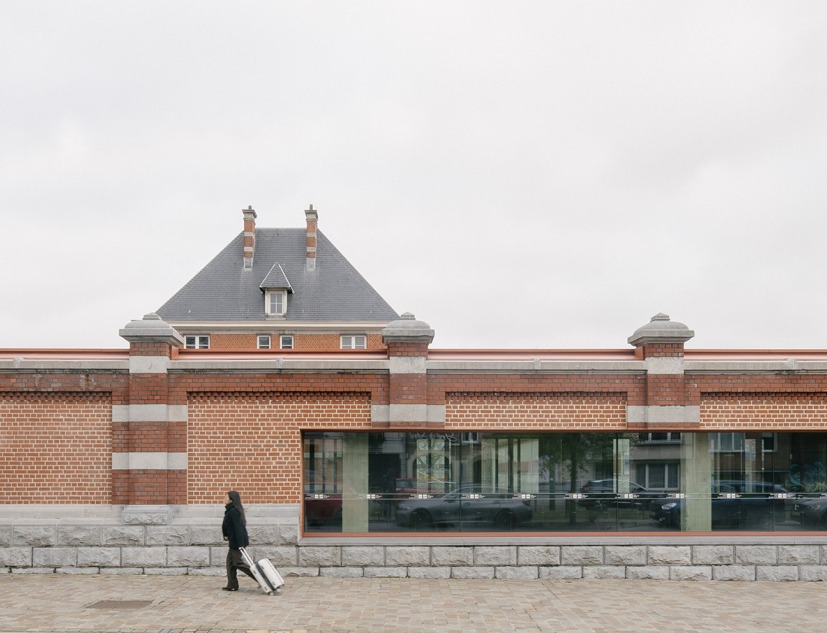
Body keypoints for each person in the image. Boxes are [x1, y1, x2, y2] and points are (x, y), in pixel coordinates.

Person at [221, 490, 255, 591]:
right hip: (234, 541)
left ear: (231, 500)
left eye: (226, 497)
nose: (224, 499)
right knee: (230, 563)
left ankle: (260, 577)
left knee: (237, 562)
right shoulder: (232, 510)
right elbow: (229, 526)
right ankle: (232, 584)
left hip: (237, 542)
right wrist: (226, 534)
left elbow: (238, 528)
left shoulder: (233, 511)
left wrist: (240, 544)